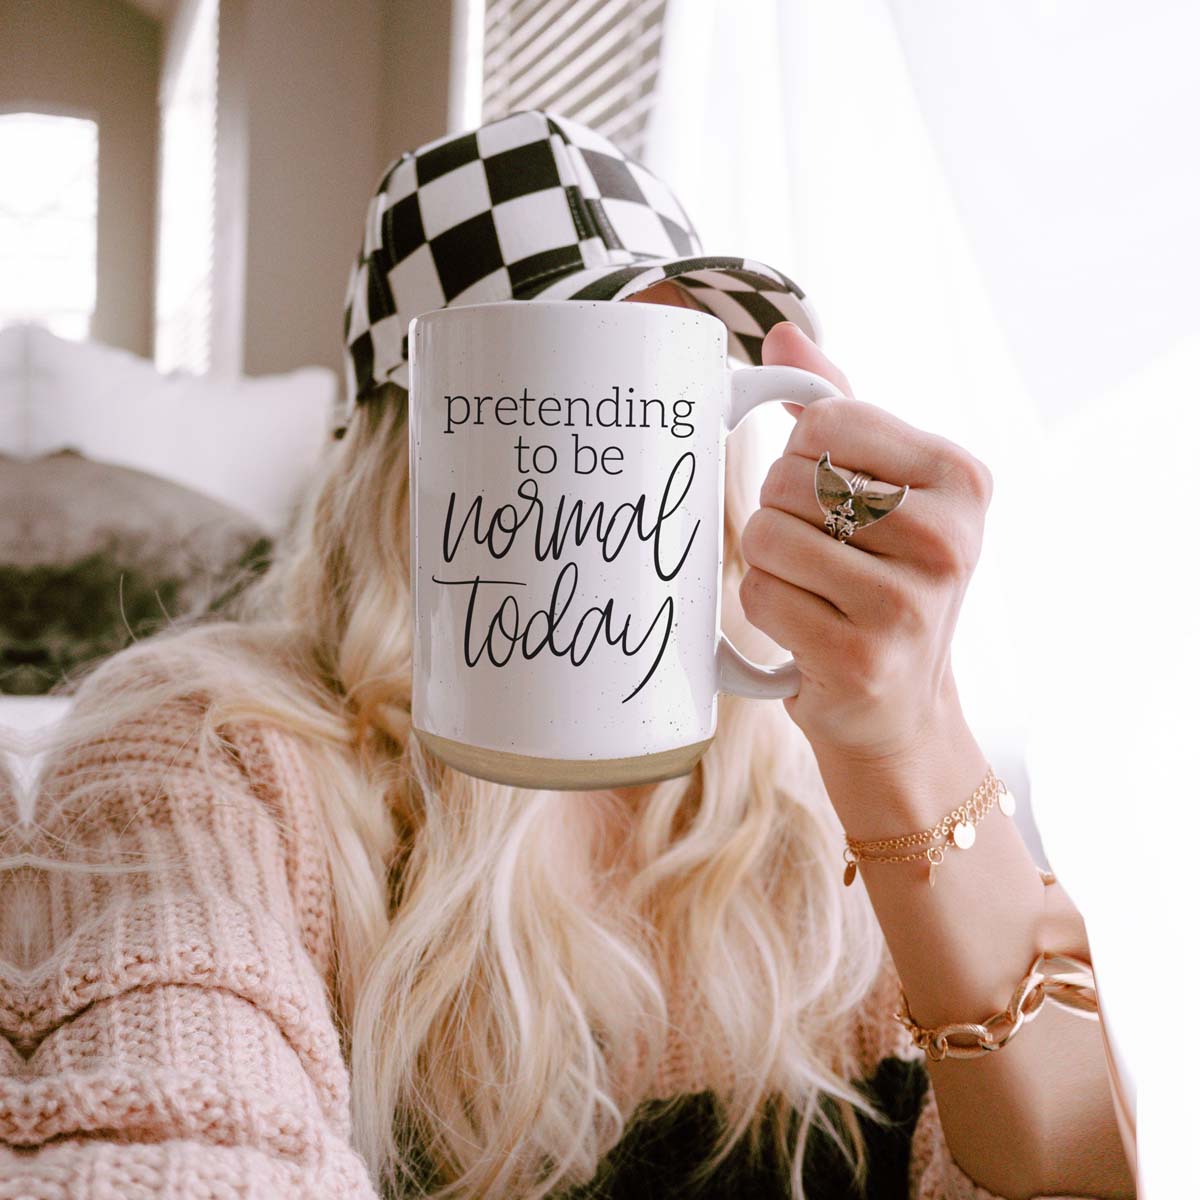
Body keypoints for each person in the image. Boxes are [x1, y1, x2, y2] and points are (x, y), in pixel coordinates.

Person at [0, 110, 1133, 1199]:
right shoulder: (211, 755)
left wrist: (910, 734)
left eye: (657, 393)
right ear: (406, 454)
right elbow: (171, 1127)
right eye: (566, 399)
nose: (621, 459)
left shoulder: (815, 795)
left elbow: (1085, 1163)